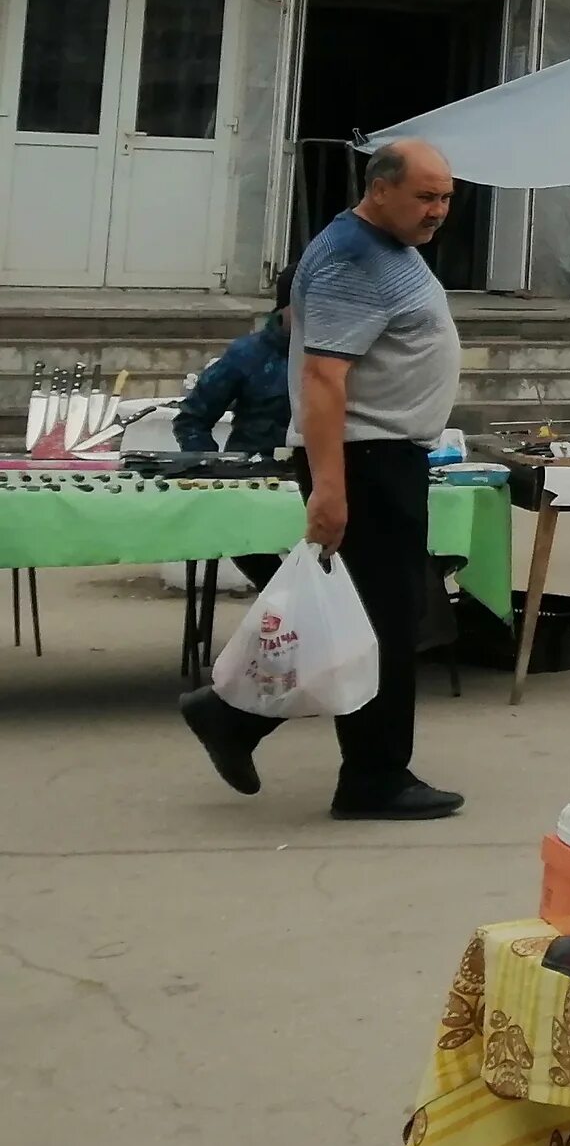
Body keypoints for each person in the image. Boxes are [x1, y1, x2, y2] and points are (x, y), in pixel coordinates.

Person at [177, 140, 467, 820]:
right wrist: (330, 490)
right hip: (363, 459)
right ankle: (373, 777)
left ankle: (234, 718)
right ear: (381, 188)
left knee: (370, 619)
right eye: (426, 196)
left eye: (447, 197)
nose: (438, 211)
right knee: (388, 624)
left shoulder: (386, 246)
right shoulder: (350, 258)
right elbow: (322, 378)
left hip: (384, 457)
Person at [173, 271, 294, 456]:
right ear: (284, 307)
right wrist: (211, 467)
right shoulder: (248, 354)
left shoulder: (344, 357)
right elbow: (192, 420)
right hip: (256, 471)